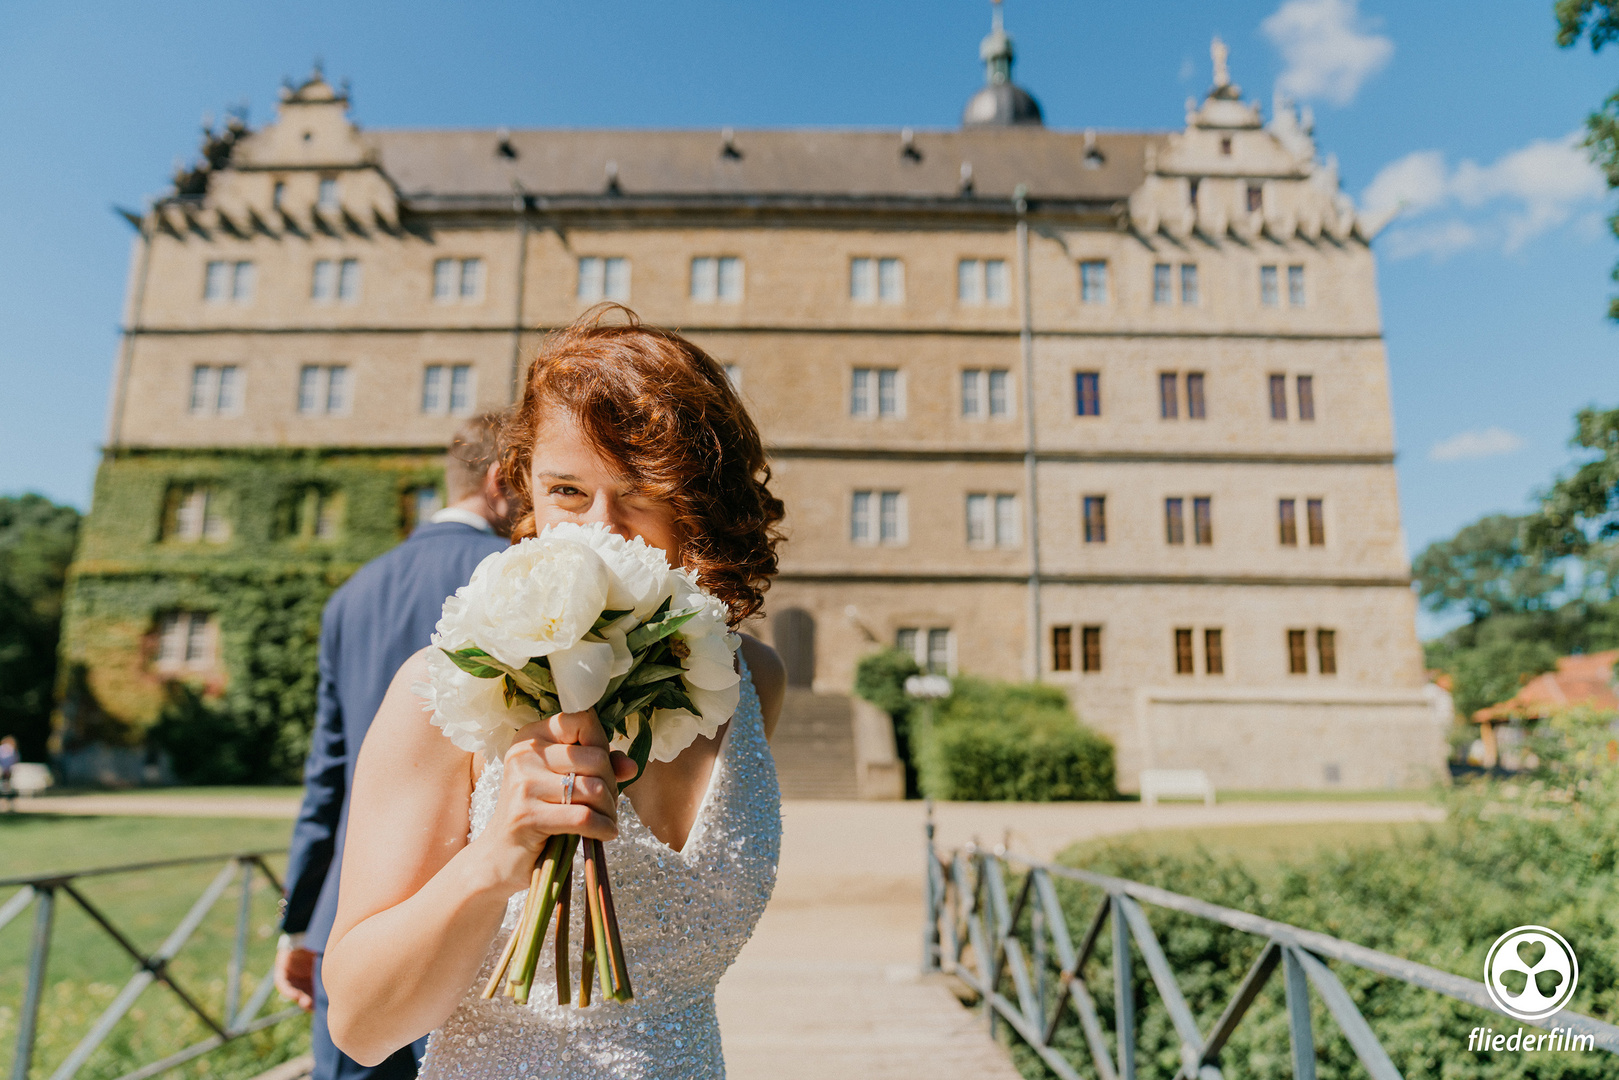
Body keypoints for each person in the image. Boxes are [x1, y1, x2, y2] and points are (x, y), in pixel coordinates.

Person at [320, 308, 787, 1080]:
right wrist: (492, 860)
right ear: (525, 491)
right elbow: (363, 1028)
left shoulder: (751, 680)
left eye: (639, 493)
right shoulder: (441, 690)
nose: (598, 530)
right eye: (567, 490)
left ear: (699, 501)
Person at [276, 412, 514, 1080]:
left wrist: (300, 924)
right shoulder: (521, 583)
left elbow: (327, 779)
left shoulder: (352, 594)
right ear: (501, 482)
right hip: (473, 937)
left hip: (343, 932)